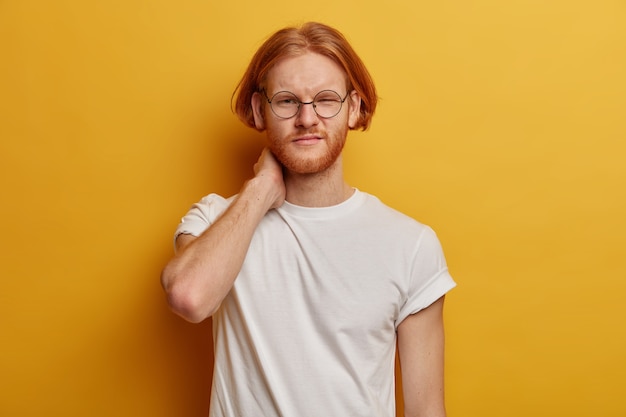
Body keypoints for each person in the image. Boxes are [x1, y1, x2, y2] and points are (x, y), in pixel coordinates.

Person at [161, 21, 456, 417]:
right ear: (259, 110)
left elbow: (426, 410)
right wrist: (262, 189)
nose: (307, 118)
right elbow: (188, 297)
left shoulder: (411, 245)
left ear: (353, 108)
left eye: (326, 99)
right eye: (286, 101)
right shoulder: (216, 220)